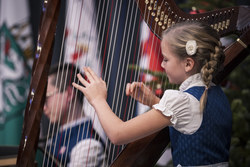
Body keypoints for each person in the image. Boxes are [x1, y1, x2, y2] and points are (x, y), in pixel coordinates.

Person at [72, 21, 232, 166]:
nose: (162, 64)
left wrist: (98, 99)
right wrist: (153, 101)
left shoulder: (182, 101)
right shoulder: (216, 92)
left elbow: (117, 134)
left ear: (188, 64)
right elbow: (190, 119)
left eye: (166, 59)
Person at [43, 63, 106, 166]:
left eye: (46, 98)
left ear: (69, 94)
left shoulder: (88, 146)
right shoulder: (55, 139)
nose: (43, 107)